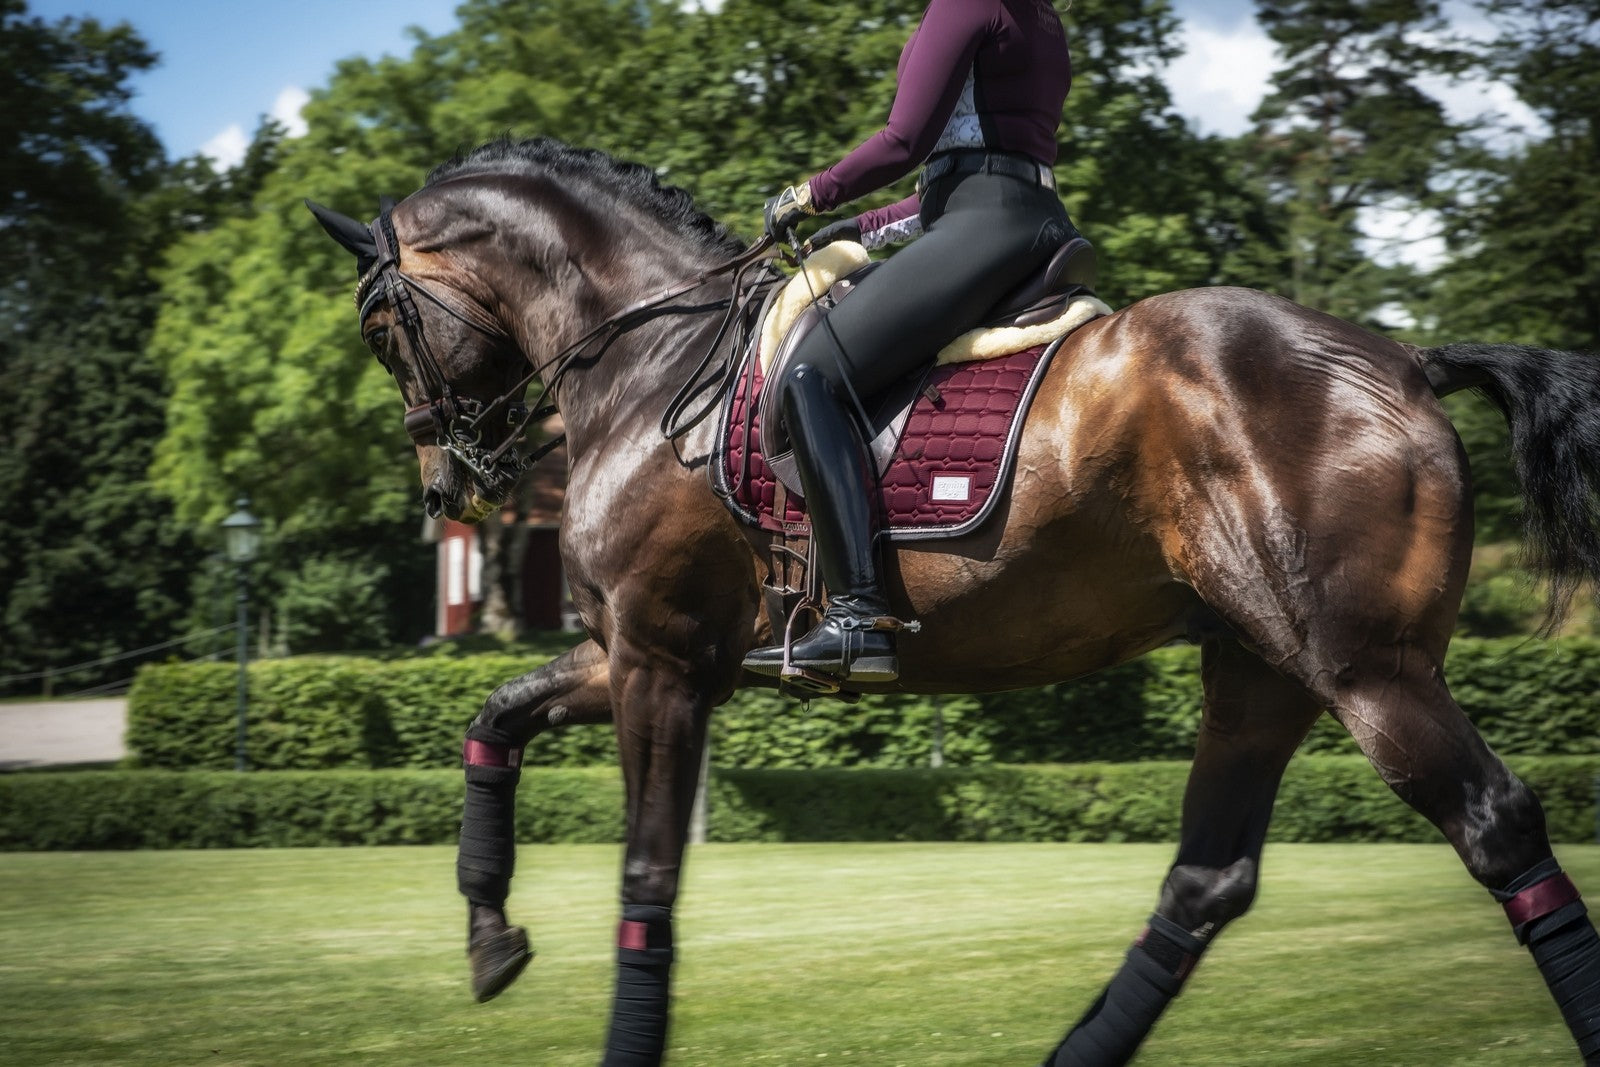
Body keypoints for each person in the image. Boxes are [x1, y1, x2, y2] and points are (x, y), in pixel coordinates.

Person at [742, 0, 1078, 684]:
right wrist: (861, 231)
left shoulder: (966, 5)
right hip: (1024, 217)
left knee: (813, 377)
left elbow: (905, 143)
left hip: (984, 226)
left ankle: (857, 617)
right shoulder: (1041, 17)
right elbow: (964, 173)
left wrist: (809, 196)